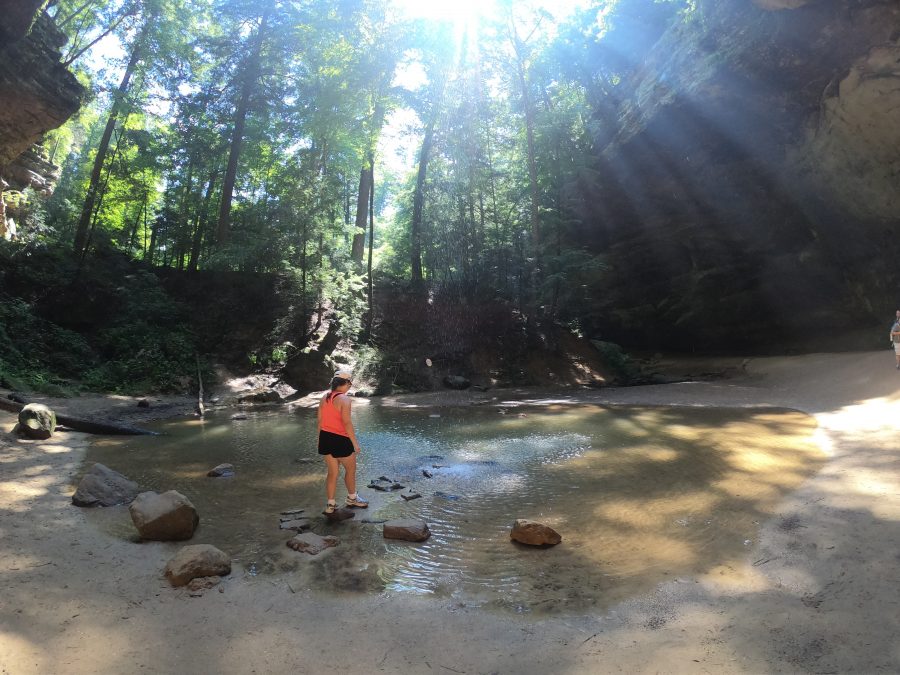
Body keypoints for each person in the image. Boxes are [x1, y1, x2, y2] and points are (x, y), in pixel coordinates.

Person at [318, 370, 368, 514]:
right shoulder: (345, 400)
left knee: (332, 473)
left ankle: (330, 505)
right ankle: (352, 498)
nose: (350, 386)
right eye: (349, 383)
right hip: (340, 439)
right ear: (343, 383)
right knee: (351, 470)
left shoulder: (324, 397)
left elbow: (320, 421)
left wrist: (319, 440)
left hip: (325, 437)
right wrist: (355, 443)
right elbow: (347, 423)